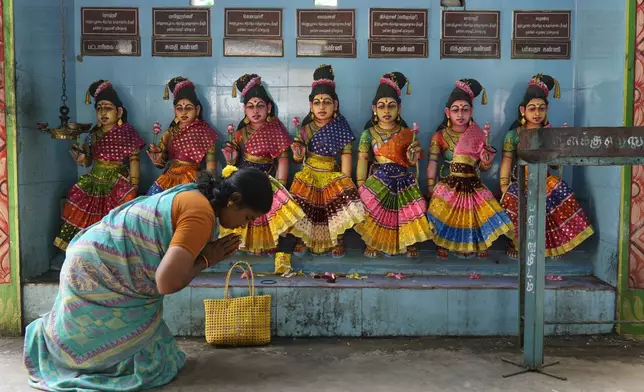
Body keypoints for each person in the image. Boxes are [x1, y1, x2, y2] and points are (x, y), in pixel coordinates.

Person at [24, 167, 273, 391]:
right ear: (234, 200)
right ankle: (76, 357)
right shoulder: (200, 214)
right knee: (148, 367)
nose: (243, 226)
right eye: (248, 218)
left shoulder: (196, 195)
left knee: (161, 356)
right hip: (98, 270)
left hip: (90, 255)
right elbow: (166, 282)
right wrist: (207, 259)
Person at [499, 73, 594, 258]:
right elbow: (507, 161)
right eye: (532, 108)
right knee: (511, 201)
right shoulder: (513, 135)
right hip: (520, 182)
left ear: (547, 110)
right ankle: (516, 243)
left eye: (541, 108)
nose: (536, 113)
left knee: (560, 198)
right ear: (522, 110)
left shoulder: (550, 134)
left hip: (546, 180)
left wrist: (562, 150)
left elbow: (556, 166)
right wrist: (503, 185)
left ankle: (552, 246)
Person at [426, 78, 513, 259]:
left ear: (471, 111)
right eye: (456, 110)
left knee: (478, 214)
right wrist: (429, 186)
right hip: (448, 182)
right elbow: (432, 162)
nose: (460, 114)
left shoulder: (479, 134)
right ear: (447, 112)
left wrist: (486, 161)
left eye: (465, 110)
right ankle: (444, 243)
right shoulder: (439, 136)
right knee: (444, 213)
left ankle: (476, 243)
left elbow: (483, 167)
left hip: (473, 181)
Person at [54, 79, 145, 251]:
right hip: (94, 180)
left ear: (119, 112)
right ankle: (83, 248)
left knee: (119, 211)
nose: (103, 112)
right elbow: (87, 161)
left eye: (108, 108)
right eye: (99, 108)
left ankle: (114, 250)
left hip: (117, 182)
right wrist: (80, 158)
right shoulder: (93, 135)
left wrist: (133, 185)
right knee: (76, 197)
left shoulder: (128, 133)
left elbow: (135, 160)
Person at [219, 73, 304, 256]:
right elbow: (232, 161)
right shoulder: (240, 133)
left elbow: (282, 160)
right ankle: (245, 244)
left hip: (267, 180)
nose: (255, 111)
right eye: (250, 106)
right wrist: (230, 158)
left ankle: (267, 243)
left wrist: (281, 185)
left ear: (269, 107)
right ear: (244, 110)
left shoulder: (276, 130)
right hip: (244, 178)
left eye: (260, 106)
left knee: (268, 212)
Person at [289, 64, 365, 258]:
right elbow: (298, 158)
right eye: (317, 102)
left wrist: (345, 181)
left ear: (335, 105)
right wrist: (297, 152)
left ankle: (337, 238)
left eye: (327, 102)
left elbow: (347, 155)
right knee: (303, 205)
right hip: (310, 173)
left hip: (332, 173)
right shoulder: (305, 129)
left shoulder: (341, 127)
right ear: (310, 105)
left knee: (336, 208)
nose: (322, 107)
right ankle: (303, 239)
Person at [354, 71, 431, 258]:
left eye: (391, 106)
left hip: (403, 180)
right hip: (379, 180)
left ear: (399, 109)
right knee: (375, 212)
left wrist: (413, 155)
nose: (386, 111)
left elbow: (413, 163)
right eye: (381, 106)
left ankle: (408, 242)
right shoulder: (368, 134)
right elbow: (363, 161)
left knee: (408, 213)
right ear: (374, 109)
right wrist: (361, 185)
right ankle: (375, 242)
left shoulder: (407, 133)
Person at [146, 76, 218, 195]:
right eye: (179, 108)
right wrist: (157, 158)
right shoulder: (169, 133)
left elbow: (211, 168)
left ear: (198, 110)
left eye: (188, 108)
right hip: (168, 179)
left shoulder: (206, 133)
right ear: (174, 110)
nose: (183, 112)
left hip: (193, 178)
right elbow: (161, 164)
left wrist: (209, 186)